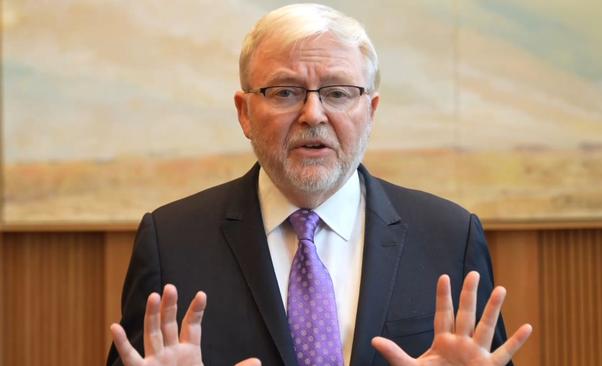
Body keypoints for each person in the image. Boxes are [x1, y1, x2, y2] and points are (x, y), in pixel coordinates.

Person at [106, 3, 532, 366]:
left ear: (371, 111)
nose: (313, 114)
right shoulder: (172, 241)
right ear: (244, 113)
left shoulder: (448, 235)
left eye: (338, 93)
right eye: (285, 92)